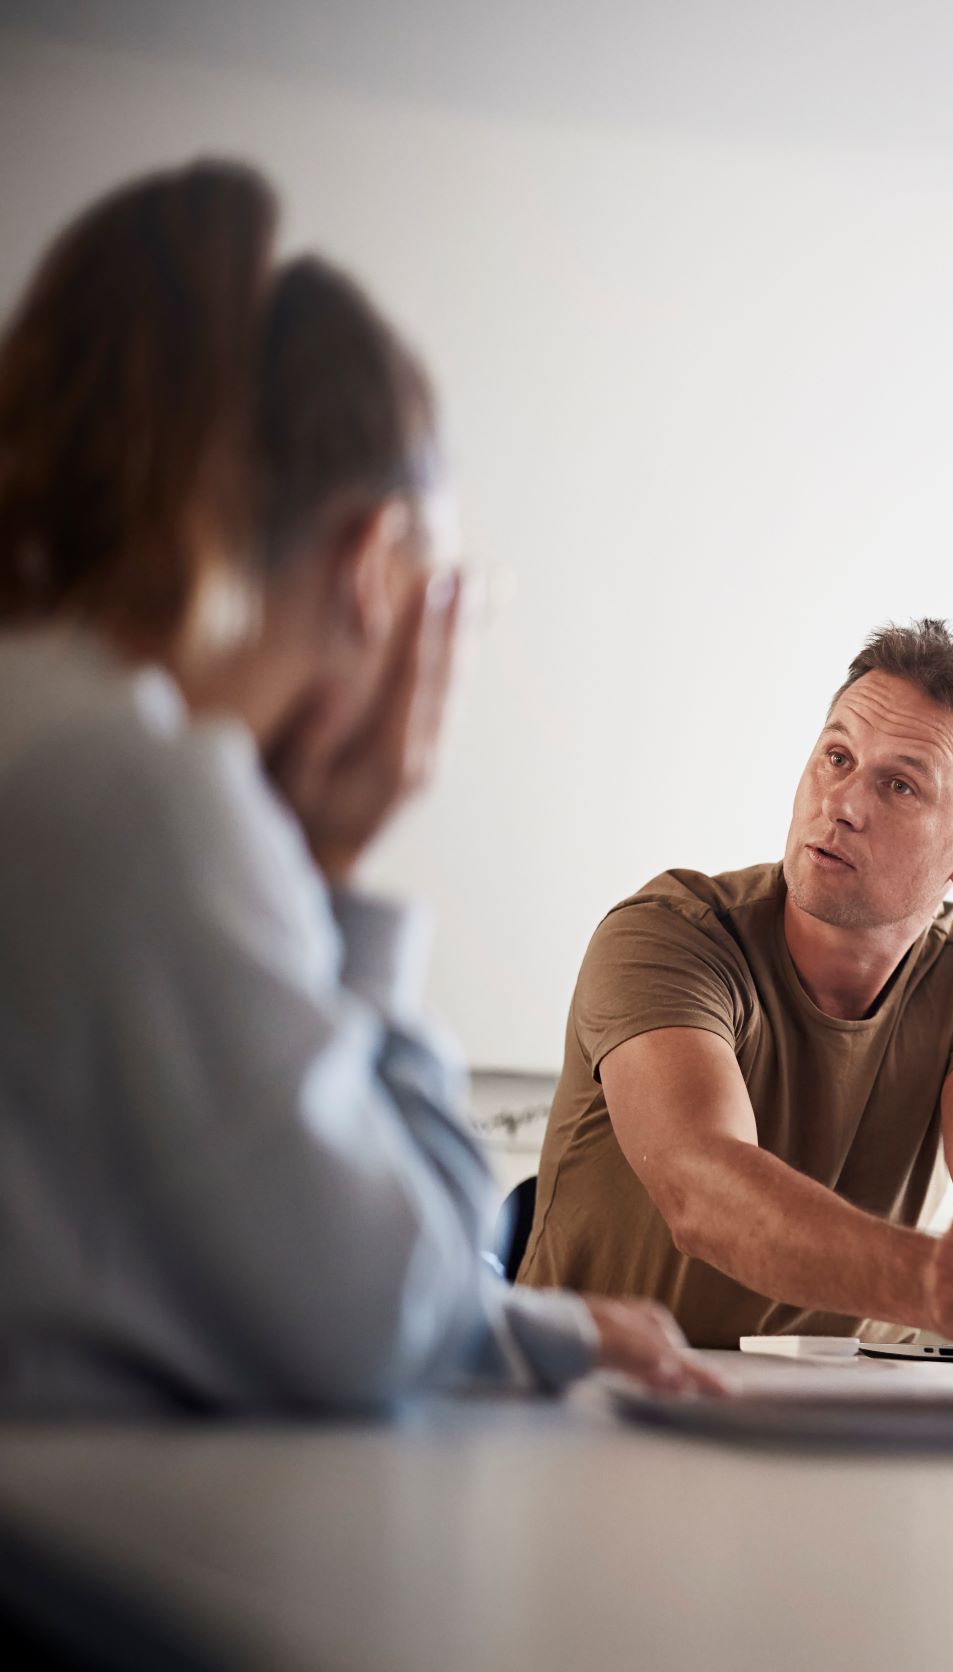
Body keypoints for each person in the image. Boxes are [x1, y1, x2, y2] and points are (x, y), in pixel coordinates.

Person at [0, 159, 718, 1413]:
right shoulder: (143, 798)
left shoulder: (51, 729)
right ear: (373, 566)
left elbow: (196, 1267)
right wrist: (338, 876)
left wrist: (536, 1331)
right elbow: (381, 1320)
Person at [517, 621, 953, 1369]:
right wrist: (934, 1282)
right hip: (591, 1397)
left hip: (839, 1409)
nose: (841, 804)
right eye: (836, 758)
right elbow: (702, 1192)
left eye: (900, 785)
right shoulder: (668, 934)